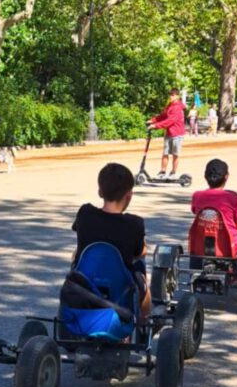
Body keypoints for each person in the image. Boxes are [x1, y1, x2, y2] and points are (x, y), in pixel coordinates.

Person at [71, 163, 151, 321]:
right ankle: (144, 322)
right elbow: (140, 252)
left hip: (85, 282)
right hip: (120, 287)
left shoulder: (85, 213)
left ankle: (71, 313)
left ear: (100, 191)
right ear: (129, 195)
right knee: (141, 276)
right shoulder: (134, 224)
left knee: (75, 257)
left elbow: (78, 232)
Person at [191, 158, 237, 254]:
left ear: (205, 176)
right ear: (226, 177)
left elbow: (196, 212)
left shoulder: (197, 196)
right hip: (229, 246)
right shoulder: (233, 197)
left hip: (201, 245)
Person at [148, 88, 187, 180]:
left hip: (177, 134)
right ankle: (162, 172)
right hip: (169, 133)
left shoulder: (177, 107)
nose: (170, 96)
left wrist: (156, 126)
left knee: (175, 154)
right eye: (170, 95)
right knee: (165, 153)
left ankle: (173, 172)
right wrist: (153, 120)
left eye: (173, 95)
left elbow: (170, 121)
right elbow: (163, 115)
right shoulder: (170, 105)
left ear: (177, 96)